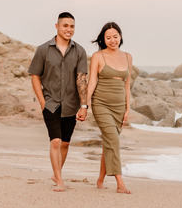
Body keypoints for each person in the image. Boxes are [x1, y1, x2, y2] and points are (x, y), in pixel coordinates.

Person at [28, 12, 89, 192]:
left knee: (65, 143)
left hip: (71, 103)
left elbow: (81, 79)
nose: (69, 29)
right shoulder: (43, 50)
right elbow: (35, 76)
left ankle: (57, 173)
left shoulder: (80, 51)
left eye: (72, 26)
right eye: (65, 26)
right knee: (55, 141)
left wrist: (84, 106)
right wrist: (42, 101)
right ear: (57, 26)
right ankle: (60, 181)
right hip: (51, 102)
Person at [86, 22, 133, 194]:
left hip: (119, 106)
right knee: (113, 141)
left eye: (115, 36)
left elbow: (127, 86)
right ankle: (120, 183)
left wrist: (128, 109)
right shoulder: (98, 56)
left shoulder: (128, 57)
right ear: (103, 39)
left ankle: (100, 179)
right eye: (108, 37)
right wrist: (85, 105)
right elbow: (92, 83)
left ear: (120, 37)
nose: (112, 40)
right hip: (101, 104)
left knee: (108, 144)